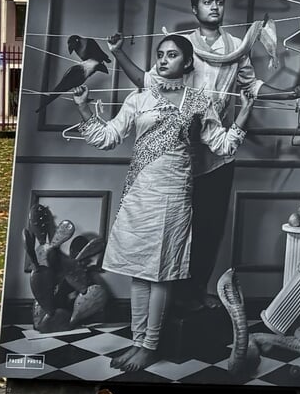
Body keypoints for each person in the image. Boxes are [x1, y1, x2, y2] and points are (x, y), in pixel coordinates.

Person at [87, 35, 242, 371]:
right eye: (159, 55)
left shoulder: (201, 101)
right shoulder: (138, 98)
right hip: (139, 193)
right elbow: (107, 138)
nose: (163, 60)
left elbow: (223, 145)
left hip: (173, 195)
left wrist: (245, 112)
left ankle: (150, 345)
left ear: (188, 63)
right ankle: (138, 340)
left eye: (172, 55)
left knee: (160, 271)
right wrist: (84, 107)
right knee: (139, 270)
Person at [111, 0, 264, 307]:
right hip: (176, 154)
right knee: (174, 229)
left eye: (219, 1)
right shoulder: (179, 45)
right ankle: (169, 300)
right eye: (207, 1)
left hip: (218, 152)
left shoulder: (238, 47)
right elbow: (150, 81)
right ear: (195, 8)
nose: (214, 7)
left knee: (210, 228)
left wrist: (290, 95)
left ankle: (196, 294)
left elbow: (253, 89)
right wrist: (118, 52)